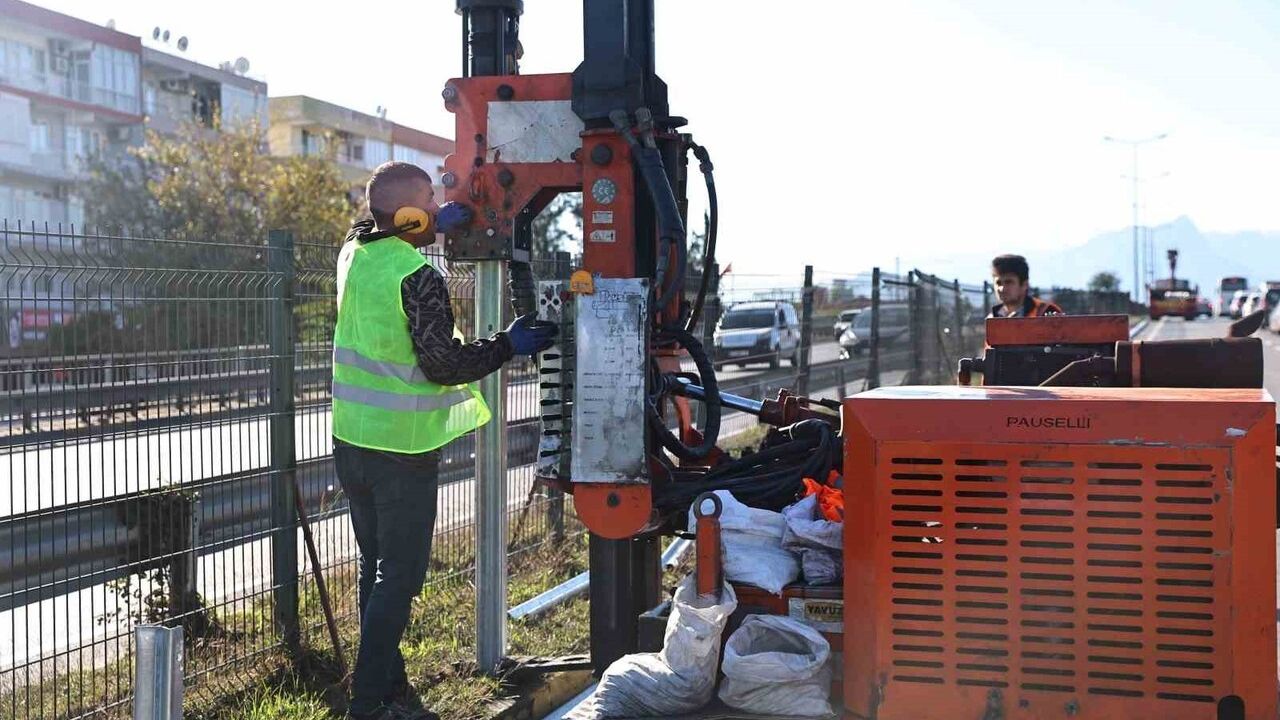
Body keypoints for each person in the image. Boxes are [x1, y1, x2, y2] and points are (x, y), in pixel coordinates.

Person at [332, 161, 556, 720]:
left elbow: (370, 227)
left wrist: (436, 225)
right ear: (406, 216)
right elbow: (443, 364)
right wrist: (508, 344)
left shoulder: (353, 253)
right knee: (398, 579)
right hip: (401, 450)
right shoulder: (417, 277)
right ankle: (367, 705)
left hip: (351, 439)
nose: (440, 209)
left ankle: (389, 690)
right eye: (431, 202)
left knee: (375, 568)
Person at [988, 254, 1062, 318]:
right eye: (998, 283)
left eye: (1009, 282)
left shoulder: (1046, 312)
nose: (1001, 288)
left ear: (1024, 284)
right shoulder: (993, 317)